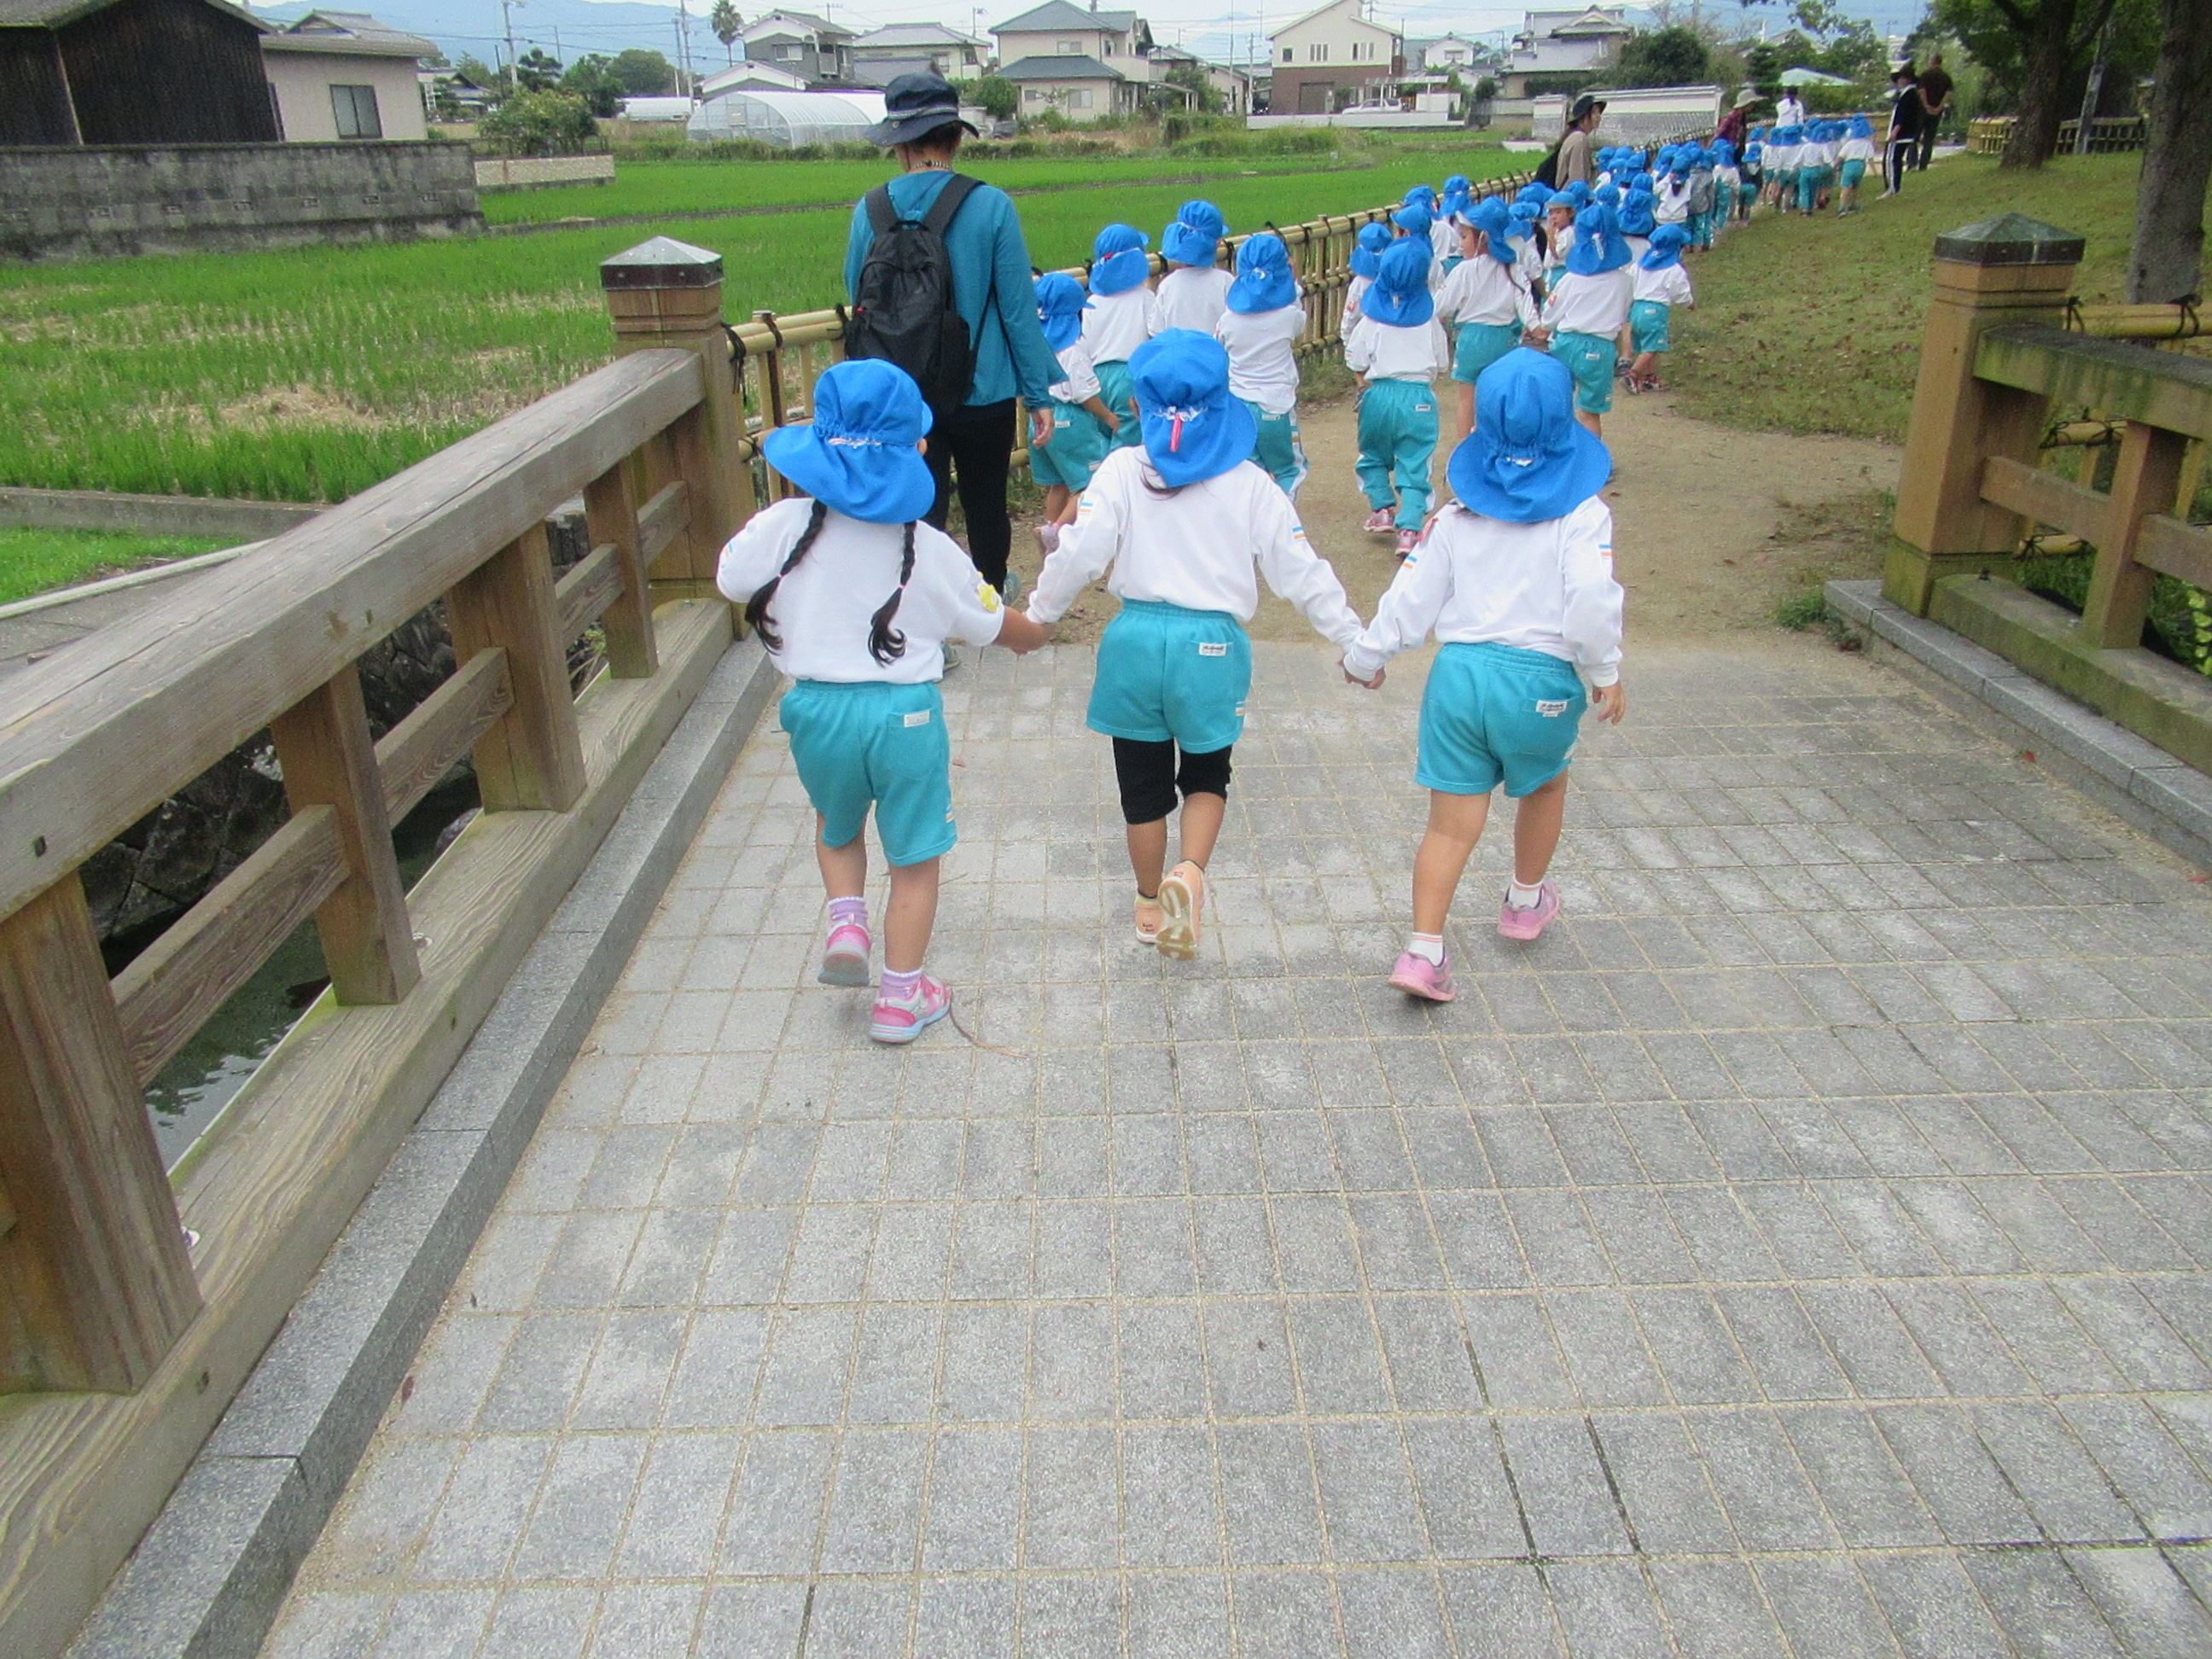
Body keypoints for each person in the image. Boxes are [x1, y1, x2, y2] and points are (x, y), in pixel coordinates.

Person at [714, 359, 1049, 1043]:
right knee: (914, 859)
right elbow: (993, 625)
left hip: (816, 714)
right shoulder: (926, 546)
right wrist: (1034, 633)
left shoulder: (783, 525)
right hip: (905, 719)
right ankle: (900, 998)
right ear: (916, 450)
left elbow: (729, 577)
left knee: (836, 825)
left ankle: (846, 922)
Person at [1025, 331, 1365, 960]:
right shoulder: (1251, 482)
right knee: (1208, 774)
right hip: (1212, 646)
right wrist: (1352, 641)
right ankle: (1190, 873)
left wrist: (1038, 617)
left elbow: (1079, 555)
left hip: (1132, 643)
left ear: (1140, 406)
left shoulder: (1120, 470)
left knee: (1141, 787)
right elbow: (1300, 571)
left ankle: (1149, 903)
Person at [1340, 348, 1625, 998]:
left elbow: (1410, 599)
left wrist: (1365, 657)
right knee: (1545, 785)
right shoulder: (1583, 515)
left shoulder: (1454, 517)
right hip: (1540, 682)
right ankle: (1524, 901)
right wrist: (1604, 669)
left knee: (1449, 825)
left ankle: (1423, 951)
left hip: (1458, 680)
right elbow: (1590, 600)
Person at [847, 74, 1063, 600]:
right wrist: (1038, 395)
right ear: (957, 137)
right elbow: (1018, 312)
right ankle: (990, 602)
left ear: (899, 145)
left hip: (903, 393)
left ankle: (924, 617)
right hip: (982, 388)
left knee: (921, 511)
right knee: (987, 504)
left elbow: (860, 302)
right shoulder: (991, 206)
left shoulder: (870, 210)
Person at [1348, 239, 1450, 556]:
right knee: (1416, 461)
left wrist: (1364, 386)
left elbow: (1355, 360)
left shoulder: (1372, 320)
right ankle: (1409, 528)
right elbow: (1442, 364)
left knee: (1372, 454)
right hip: (1418, 397)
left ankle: (1381, 508)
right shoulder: (1429, 322)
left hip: (1377, 395)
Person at [1028, 273, 1121, 553]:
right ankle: (1056, 531)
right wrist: (1108, 416)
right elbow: (1085, 394)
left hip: (1039, 416)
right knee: (1088, 484)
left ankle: (1049, 531)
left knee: (1058, 482)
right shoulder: (1073, 350)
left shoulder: (1034, 344)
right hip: (1069, 421)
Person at [1437, 197, 1540, 446]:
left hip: (1472, 339)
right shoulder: (1512, 268)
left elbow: (1441, 306)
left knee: (1467, 399)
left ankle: (1464, 448)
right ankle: (1500, 444)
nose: (1460, 244)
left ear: (1481, 238)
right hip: (1504, 339)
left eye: (1464, 237)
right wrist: (1536, 327)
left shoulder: (1464, 270)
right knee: (1500, 397)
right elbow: (1525, 303)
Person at [1215, 232, 1309, 497]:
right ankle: (1282, 516)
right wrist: (1293, 282)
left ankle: (1250, 518)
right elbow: (1298, 315)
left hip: (1239, 405)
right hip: (1276, 405)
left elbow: (1218, 348)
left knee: (1249, 472)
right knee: (1290, 470)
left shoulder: (1228, 320)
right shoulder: (1289, 317)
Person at [1528, 203, 1633, 437]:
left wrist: (1545, 326)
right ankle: (1590, 457)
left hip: (1567, 344)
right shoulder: (1624, 281)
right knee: (1589, 412)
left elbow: (1550, 317)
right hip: (1601, 347)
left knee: (1559, 403)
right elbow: (1623, 315)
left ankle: (1558, 450)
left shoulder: (1569, 279)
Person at [1083, 222, 1158, 450]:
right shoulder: (1145, 298)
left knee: (1101, 439)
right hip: (1129, 376)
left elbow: (1085, 344)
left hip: (1095, 378)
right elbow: (1156, 336)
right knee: (1127, 445)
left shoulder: (1091, 302)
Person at [1625, 223, 1691, 394]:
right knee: (1652, 348)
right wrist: (1689, 303)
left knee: (1644, 345)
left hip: (1636, 309)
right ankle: (1633, 374)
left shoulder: (1639, 265)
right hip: (1654, 311)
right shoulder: (1674, 269)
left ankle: (1650, 378)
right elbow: (1680, 291)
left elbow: (1629, 282)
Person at [1155, 201, 1234, 335]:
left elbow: (1156, 330)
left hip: (1178, 348)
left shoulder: (1167, 285)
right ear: (1218, 242)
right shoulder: (1226, 281)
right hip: (1215, 347)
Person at [1883, 67, 1925, 198]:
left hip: (1901, 134)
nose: (1899, 81)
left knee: (1891, 160)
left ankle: (1892, 187)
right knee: (1894, 159)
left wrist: (1895, 131)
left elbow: (1903, 116)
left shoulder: (1908, 95)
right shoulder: (1909, 94)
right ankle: (1893, 186)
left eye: (1902, 78)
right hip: (1906, 132)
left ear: (1907, 80)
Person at [1552, 93, 1606, 187]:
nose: (1598, 116)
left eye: (1599, 112)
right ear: (1583, 117)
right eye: (1593, 112)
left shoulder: (1576, 136)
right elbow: (1578, 179)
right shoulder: (1580, 139)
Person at [1345, 220, 1391, 320]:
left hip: (1364, 326)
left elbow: (1351, 314)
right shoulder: (1393, 279)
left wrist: (1345, 329)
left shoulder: (1360, 282)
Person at [1916, 54, 1953, 171]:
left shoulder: (1925, 75)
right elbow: (1948, 93)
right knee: (1929, 138)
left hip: (1922, 110)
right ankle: (1923, 165)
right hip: (1937, 111)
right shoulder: (1946, 77)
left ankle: (1912, 162)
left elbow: (1922, 91)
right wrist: (1939, 107)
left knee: (1915, 136)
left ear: (1932, 62)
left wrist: (1926, 105)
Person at [1836, 114, 1876, 216]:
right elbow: (1870, 158)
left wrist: (1835, 166)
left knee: (1845, 187)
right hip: (1861, 165)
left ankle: (1842, 207)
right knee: (1856, 186)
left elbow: (1841, 156)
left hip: (1849, 165)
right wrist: (1874, 172)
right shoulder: (1867, 143)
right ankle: (1853, 204)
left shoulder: (1850, 143)